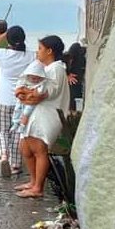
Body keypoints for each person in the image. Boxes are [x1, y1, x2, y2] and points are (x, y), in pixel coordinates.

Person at [15, 35, 70, 198]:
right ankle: (33, 182)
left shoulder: (56, 68)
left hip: (47, 114)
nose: (38, 52)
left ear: (49, 50)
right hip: (37, 113)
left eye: (40, 48)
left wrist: (26, 94)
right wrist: (25, 93)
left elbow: (41, 94)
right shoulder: (45, 69)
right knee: (25, 148)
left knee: (39, 150)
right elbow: (28, 90)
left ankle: (37, 187)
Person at [0, 26, 35, 178]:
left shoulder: (3, 54)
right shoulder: (30, 56)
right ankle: (15, 165)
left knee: (0, 129)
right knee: (17, 132)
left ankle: (3, 155)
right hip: (21, 100)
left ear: (9, 40)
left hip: (4, 99)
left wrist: (4, 34)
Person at [10, 61, 47, 134]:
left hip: (31, 101)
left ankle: (22, 125)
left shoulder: (40, 84)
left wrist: (34, 93)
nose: (35, 80)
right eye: (33, 78)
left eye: (38, 78)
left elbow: (40, 93)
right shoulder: (23, 81)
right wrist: (19, 94)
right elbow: (18, 88)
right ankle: (15, 122)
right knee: (17, 109)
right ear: (28, 76)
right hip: (22, 99)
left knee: (26, 112)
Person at [65, 43, 86, 112]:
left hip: (78, 82)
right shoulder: (66, 58)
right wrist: (67, 75)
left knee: (77, 103)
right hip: (73, 82)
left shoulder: (82, 58)